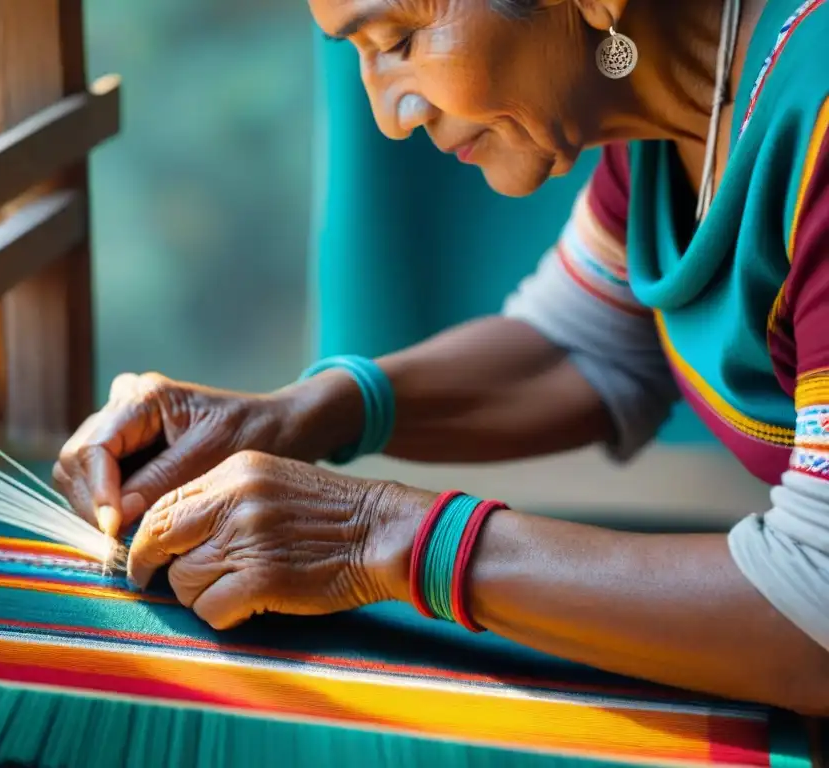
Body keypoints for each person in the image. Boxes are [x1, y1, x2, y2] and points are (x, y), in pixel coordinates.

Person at [53, 0, 829, 714]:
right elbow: (580, 345)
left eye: (399, 41)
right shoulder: (676, 130)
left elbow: (816, 607)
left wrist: (379, 537)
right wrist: (294, 416)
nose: (391, 116)